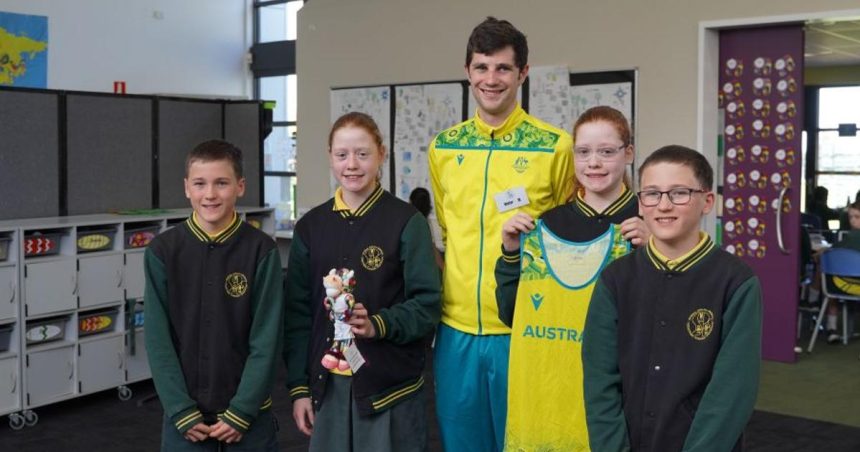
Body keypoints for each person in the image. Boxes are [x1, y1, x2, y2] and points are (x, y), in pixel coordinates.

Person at [428, 16, 574, 451]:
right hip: (455, 331)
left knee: (525, 443)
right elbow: (448, 234)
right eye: (481, 67)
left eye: (503, 68)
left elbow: (567, 238)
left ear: (523, 73)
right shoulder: (443, 147)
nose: (491, 80)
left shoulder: (555, 146)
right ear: (468, 71)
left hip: (524, 329)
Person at [583, 145, 762, 451]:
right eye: (652, 193)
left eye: (679, 193)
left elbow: (732, 393)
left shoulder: (736, 283)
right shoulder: (615, 279)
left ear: (707, 202)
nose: (663, 205)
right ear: (640, 203)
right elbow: (600, 382)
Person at [283, 112, 441, 452]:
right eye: (342, 155)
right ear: (330, 157)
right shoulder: (310, 227)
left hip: (388, 386)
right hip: (327, 385)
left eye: (362, 154)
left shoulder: (406, 222)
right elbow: (297, 313)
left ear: (381, 154)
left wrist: (377, 325)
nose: (351, 165)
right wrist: (299, 387)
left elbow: (427, 306)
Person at [494, 106, 648, 450]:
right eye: (583, 152)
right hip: (546, 401)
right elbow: (511, 314)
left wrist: (655, 251)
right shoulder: (546, 225)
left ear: (629, 154)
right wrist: (509, 254)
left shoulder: (647, 221)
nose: (594, 163)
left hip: (617, 401)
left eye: (607, 152)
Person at [144, 139, 284, 451]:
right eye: (200, 184)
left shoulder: (261, 251)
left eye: (221, 183)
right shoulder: (163, 252)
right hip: (185, 424)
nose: (210, 194)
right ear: (186, 188)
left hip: (249, 422)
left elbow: (267, 339)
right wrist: (180, 409)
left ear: (240, 186)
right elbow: (157, 338)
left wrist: (241, 412)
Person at [409, 187, 445, 270]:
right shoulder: (424, 223)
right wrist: (444, 268)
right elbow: (432, 248)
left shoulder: (410, 221)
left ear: (410, 202)